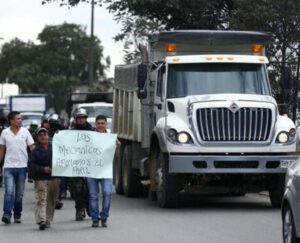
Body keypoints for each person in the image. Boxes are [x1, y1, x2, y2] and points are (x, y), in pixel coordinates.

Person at [0, 111, 35, 224]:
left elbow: (32, 147)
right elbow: (1, 150)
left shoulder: (25, 132)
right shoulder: (4, 133)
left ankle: (17, 213)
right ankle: (7, 213)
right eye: (18, 118)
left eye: (21, 118)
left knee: (19, 194)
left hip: (22, 167)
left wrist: (37, 160)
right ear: (12, 121)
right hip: (8, 167)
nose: (21, 120)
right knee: (9, 192)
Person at [28, 127, 60, 230]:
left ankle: (48, 219)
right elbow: (31, 165)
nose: (43, 136)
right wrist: (42, 169)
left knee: (51, 200)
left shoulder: (55, 148)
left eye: (44, 134)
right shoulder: (35, 151)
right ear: (37, 138)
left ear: (48, 136)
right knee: (41, 199)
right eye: (40, 135)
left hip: (54, 178)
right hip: (41, 178)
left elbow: (63, 160)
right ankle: (41, 220)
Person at [87, 114, 115, 228]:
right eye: (98, 123)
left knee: (107, 193)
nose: (100, 125)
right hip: (91, 171)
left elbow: (115, 156)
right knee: (93, 196)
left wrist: (117, 147)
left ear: (106, 125)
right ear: (95, 124)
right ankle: (95, 218)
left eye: (102, 123)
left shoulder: (111, 138)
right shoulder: (89, 137)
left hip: (105, 171)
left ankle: (104, 217)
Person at [71, 108, 93, 221]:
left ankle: (90, 207)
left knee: (89, 187)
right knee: (78, 188)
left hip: (90, 163)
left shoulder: (92, 131)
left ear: (85, 118)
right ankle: (79, 209)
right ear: (75, 119)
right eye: (78, 118)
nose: (80, 120)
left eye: (82, 118)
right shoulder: (71, 132)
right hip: (76, 164)